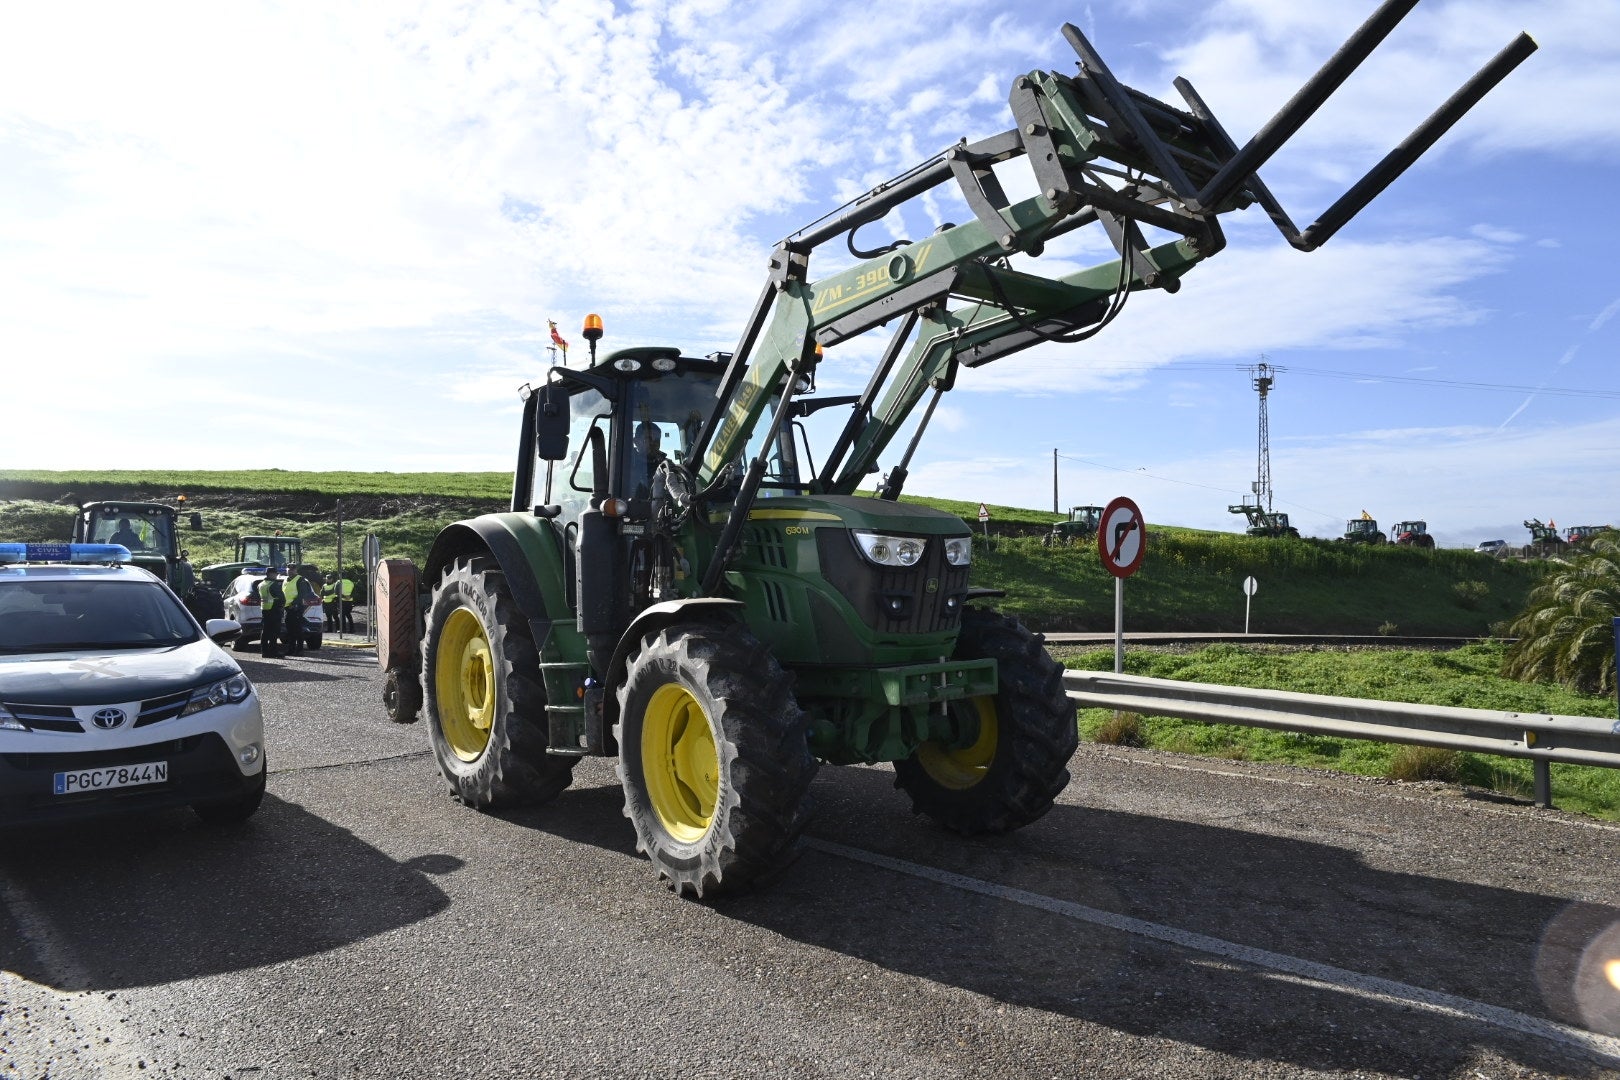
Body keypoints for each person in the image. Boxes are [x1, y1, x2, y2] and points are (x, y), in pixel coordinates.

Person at [255, 568, 286, 658]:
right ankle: (273, 652)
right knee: (274, 632)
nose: (276, 575)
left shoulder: (261, 584)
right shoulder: (273, 584)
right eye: (275, 574)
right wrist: (282, 606)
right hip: (274, 609)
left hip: (265, 609)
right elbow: (281, 598)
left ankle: (264, 652)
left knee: (265, 632)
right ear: (271, 574)